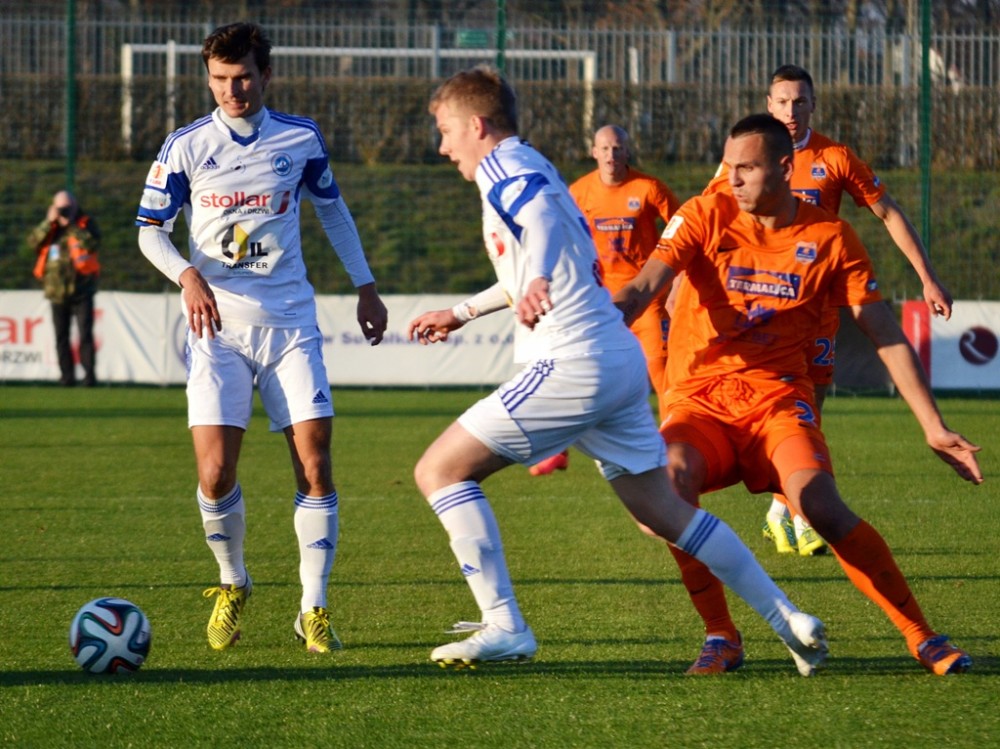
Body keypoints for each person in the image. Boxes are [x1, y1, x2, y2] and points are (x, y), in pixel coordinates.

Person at [407, 66, 828, 675]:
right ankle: (788, 618)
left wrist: (540, 275)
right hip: (614, 359)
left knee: (439, 471)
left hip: (572, 361)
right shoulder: (536, 167)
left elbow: (540, 224)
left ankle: (504, 624)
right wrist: (461, 312)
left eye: (446, 131)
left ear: (476, 125)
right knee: (665, 514)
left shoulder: (503, 166)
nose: (444, 147)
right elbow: (527, 257)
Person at [614, 113, 982, 676]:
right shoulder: (703, 213)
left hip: (778, 404)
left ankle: (923, 636)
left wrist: (933, 426)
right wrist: (592, 320)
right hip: (700, 402)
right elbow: (642, 288)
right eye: (729, 166)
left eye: (747, 168)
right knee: (668, 488)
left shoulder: (829, 237)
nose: (732, 179)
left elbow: (883, 332)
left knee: (821, 507)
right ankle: (721, 635)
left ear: (785, 168)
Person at [134, 22, 388, 654]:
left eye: (243, 76)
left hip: (291, 325)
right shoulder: (186, 146)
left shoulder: (299, 138)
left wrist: (365, 285)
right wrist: (187, 274)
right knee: (215, 472)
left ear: (265, 74)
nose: (232, 89)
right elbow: (149, 231)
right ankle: (233, 581)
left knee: (315, 462)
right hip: (216, 329)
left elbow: (332, 210)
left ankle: (313, 607)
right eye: (220, 79)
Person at [703, 64, 954, 557]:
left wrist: (927, 277)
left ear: (813, 105)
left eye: (800, 101)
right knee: (777, 410)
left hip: (818, 309)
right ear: (768, 104)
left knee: (808, 413)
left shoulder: (834, 158)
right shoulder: (745, 156)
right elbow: (707, 217)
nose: (790, 110)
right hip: (764, 308)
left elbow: (888, 211)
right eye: (782, 101)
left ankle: (781, 510)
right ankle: (802, 515)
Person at [530, 125, 680, 477]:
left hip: (645, 298)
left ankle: (674, 447)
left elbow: (683, 228)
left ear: (627, 151)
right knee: (576, 366)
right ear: (594, 152)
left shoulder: (649, 188)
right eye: (605, 148)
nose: (612, 155)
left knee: (661, 371)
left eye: (618, 147)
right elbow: (562, 238)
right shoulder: (579, 192)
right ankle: (557, 449)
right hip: (600, 300)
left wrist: (677, 279)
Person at [28, 190, 101, 387]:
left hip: (82, 290)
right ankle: (66, 378)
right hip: (56, 292)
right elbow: (33, 242)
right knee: (61, 337)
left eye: (68, 207)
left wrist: (72, 225)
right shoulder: (50, 228)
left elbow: (92, 243)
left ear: (75, 206)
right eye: (61, 208)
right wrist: (48, 222)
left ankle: (89, 377)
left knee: (85, 335)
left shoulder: (85, 223)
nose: (65, 211)